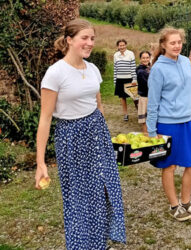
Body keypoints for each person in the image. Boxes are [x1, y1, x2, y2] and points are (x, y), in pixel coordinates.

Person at [34, 19, 126, 249]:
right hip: (71, 137)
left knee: (106, 189)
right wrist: (40, 162)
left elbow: (98, 104)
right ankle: (80, 245)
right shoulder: (55, 73)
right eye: (84, 38)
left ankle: (100, 242)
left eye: (92, 38)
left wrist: (104, 132)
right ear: (69, 40)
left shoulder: (92, 68)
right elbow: (45, 119)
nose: (89, 43)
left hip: (97, 133)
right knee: (79, 197)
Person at [147, 27, 191, 222]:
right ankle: (174, 205)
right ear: (163, 45)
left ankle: (186, 201)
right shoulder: (158, 69)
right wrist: (151, 130)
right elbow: (153, 102)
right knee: (170, 166)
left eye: (179, 42)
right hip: (167, 124)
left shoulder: (185, 62)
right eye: (172, 43)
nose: (177, 46)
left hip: (187, 121)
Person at [113, 39, 137, 121]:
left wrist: (134, 79)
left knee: (135, 97)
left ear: (126, 45)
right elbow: (115, 69)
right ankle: (125, 114)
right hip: (120, 79)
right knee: (123, 98)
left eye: (123, 45)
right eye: (120, 45)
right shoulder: (116, 55)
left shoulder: (130, 54)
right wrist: (115, 81)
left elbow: (133, 67)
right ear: (118, 46)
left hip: (129, 79)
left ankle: (140, 113)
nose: (122, 47)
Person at [137, 51, 151, 133]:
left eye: (147, 57)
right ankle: (145, 135)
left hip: (151, 97)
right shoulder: (140, 71)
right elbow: (147, 85)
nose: (145, 59)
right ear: (140, 59)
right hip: (145, 97)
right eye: (143, 58)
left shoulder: (149, 68)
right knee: (144, 121)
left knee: (151, 119)